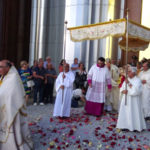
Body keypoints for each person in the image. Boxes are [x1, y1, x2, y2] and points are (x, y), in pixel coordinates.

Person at [0, 60, 33, 150]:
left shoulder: (13, 78)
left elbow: (12, 95)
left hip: (12, 109)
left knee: (12, 131)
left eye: (1, 67)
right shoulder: (3, 77)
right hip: (4, 107)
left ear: (8, 68)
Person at [116, 67, 146, 131]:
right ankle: (124, 125)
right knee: (126, 112)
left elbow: (137, 91)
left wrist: (129, 83)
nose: (127, 73)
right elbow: (122, 87)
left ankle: (135, 127)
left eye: (129, 72)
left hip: (134, 101)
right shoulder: (127, 79)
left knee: (134, 112)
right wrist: (123, 91)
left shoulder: (137, 80)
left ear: (134, 72)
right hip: (126, 99)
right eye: (128, 72)